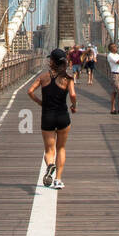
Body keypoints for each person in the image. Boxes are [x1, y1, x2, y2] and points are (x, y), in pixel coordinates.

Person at [27, 47, 77, 189]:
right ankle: (58, 180)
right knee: (61, 147)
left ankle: (50, 165)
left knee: (49, 150)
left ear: (52, 61)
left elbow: (30, 91)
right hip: (62, 116)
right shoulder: (68, 78)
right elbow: (73, 95)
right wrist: (74, 106)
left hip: (47, 116)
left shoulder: (43, 77)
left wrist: (39, 102)